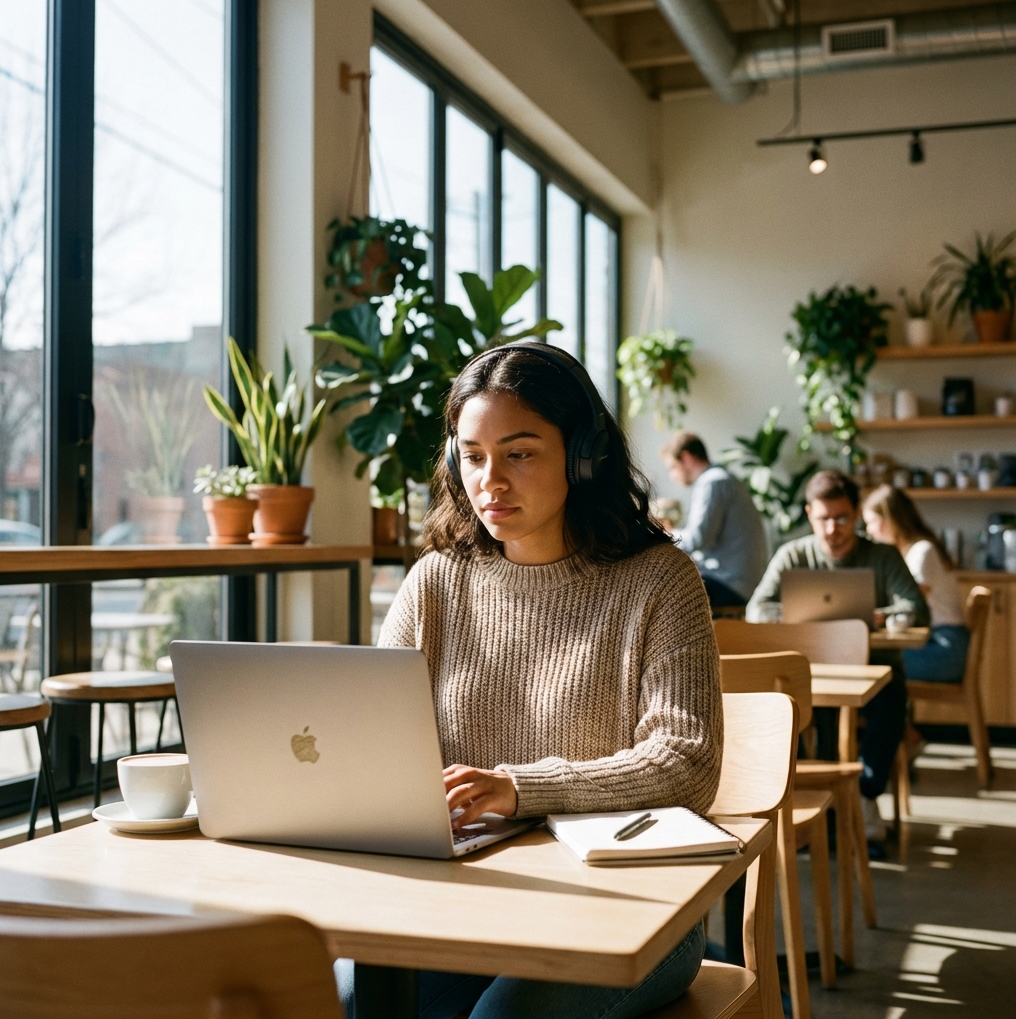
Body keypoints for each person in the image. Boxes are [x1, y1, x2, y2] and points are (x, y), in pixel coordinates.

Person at [335, 343, 722, 1019]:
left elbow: (685, 762)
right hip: (463, 895)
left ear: (583, 456)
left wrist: (519, 788)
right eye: (473, 456)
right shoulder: (436, 582)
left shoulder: (660, 580)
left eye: (519, 453)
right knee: (342, 1000)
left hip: (630, 906)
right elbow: (373, 736)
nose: (491, 481)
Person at [747, 470, 929, 844]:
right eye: (823, 518)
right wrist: (797, 616)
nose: (832, 528)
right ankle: (799, 803)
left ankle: (865, 794)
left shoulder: (882, 556)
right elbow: (757, 609)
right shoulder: (793, 554)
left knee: (891, 700)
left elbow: (916, 610)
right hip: (807, 672)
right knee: (782, 706)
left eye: (842, 518)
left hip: (873, 668)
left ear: (858, 514)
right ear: (809, 513)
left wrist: (880, 615)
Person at [862, 484, 969, 683]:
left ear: (890, 520)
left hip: (944, 648)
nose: (868, 530)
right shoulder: (910, 551)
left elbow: (912, 606)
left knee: (871, 663)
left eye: (871, 522)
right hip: (937, 644)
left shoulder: (921, 551)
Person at [662, 432, 767, 608]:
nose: (672, 476)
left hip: (729, 583)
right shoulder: (722, 478)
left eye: (672, 467)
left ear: (686, 458)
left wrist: (665, 535)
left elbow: (698, 539)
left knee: (662, 592)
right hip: (740, 581)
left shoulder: (712, 482)